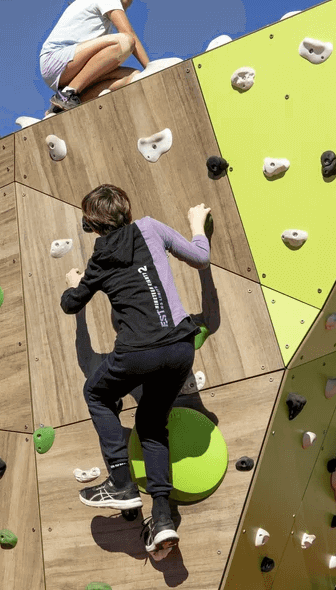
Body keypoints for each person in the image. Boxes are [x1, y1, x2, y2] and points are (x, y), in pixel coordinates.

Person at [61, 184, 210, 559]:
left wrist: (75, 284)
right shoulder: (151, 228)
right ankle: (162, 520)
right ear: (126, 211)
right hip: (180, 348)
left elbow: (70, 304)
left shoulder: (99, 257)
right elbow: (200, 257)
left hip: (137, 353)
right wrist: (197, 224)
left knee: (95, 393)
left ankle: (122, 482)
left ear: (91, 224)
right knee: (151, 426)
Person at [39, 0, 152, 113]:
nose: (129, 5)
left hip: (70, 66)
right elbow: (128, 33)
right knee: (124, 42)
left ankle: (59, 108)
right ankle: (67, 93)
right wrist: (151, 69)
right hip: (56, 58)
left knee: (134, 77)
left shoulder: (98, 0)